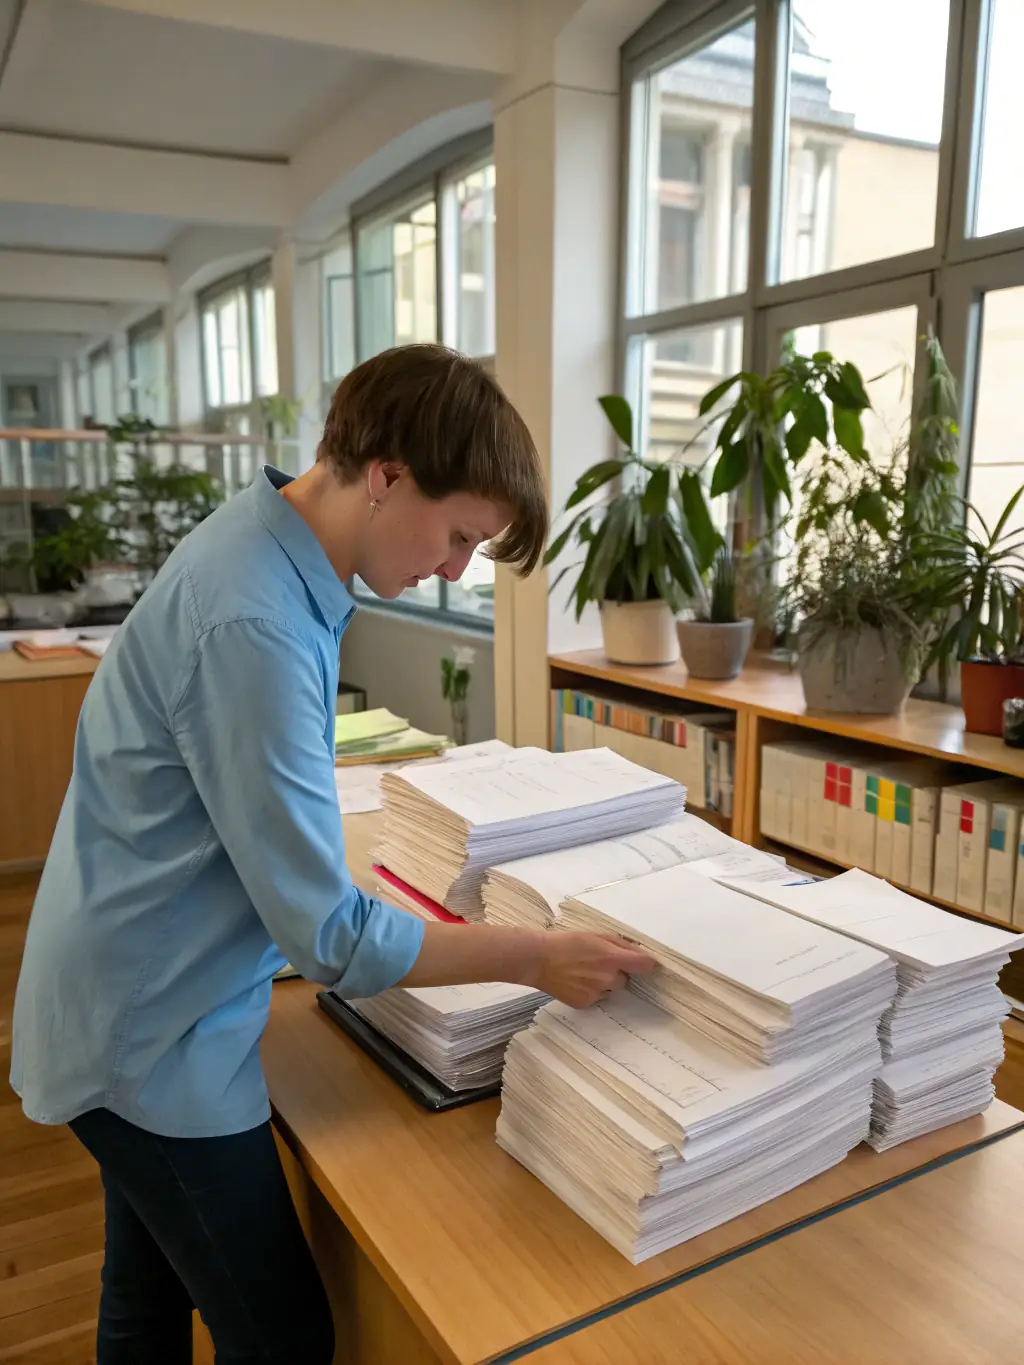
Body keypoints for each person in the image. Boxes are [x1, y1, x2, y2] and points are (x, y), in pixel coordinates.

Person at [11, 344, 655, 1365]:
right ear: (386, 474)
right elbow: (330, 938)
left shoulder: (263, 550)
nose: (453, 570)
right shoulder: (254, 621)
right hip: (151, 1036)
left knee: (147, 1285)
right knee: (285, 1338)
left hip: (123, 984)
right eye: (456, 537)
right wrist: (534, 957)